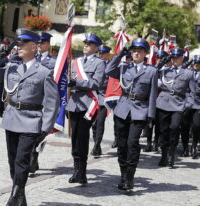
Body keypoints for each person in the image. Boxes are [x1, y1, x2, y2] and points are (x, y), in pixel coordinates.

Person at [0, 28, 59, 206]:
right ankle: (21, 196)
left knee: (22, 160)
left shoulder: (44, 72)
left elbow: (52, 102)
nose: (18, 47)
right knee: (12, 161)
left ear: (34, 47)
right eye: (17, 44)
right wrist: (0, 55)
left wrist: (46, 127)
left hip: (31, 120)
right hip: (11, 118)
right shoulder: (12, 66)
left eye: (23, 44)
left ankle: (14, 195)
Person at [105, 38, 158, 190]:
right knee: (122, 144)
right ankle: (122, 174)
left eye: (139, 51)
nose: (136, 53)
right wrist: (120, 53)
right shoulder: (123, 67)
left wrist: (151, 115)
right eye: (134, 50)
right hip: (122, 109)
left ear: (145, 53)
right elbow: (108, 70)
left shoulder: (152, 71)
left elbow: (153, 94)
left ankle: (130, 177)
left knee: (132, 143)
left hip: (140, 110)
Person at [67, 33, 105, 185]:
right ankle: (76, 169)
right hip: (74, 103)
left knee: (82, 137)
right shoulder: (75, 62)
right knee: (74, 137)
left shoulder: (99, 63)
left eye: (89, 44)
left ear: (96, 47)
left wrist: (76, 82)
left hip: (88, 103)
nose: (86, 46)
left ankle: (82, 172)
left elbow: (96, 83)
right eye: (85, 43)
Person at [156, 48, 194, 168]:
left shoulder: (188, 73)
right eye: (173, 57)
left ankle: (172, 153)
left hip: (178, 104)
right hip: (163, 102)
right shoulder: (164, 70)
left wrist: (188, 105)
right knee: (163, 130)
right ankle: (164, 154)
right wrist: (162, 62)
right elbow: (152, 73)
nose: (175, 59)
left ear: (182, 58)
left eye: (177, 57)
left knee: (174, 128)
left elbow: (191, 91)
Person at [28, 31, 57, 173]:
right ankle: (32, 158)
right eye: (38, 42)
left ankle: (33, 158)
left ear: (48, 45)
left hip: (45, 100)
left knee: (39, 132)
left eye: (43, 42)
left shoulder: (53, 62)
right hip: (31, 99)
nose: (40, 45)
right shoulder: (31, 58)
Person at [91, 45, 111, 157]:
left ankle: (97, 145)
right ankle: (96, 144)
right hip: (93, 97)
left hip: (104, 98)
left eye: (103, 53)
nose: (101, 55)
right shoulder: (96, 64)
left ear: (108, 54)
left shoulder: (110, 66)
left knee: (100, 122)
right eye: (100, 53)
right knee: (94, 123)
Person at [189, 55, 200, 159]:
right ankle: (186, 147)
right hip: (186, 103)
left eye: (199, 63)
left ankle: (194, 146)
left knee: (196, 126)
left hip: (198, 104)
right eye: (195, 63)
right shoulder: (187, 74)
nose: (196, 65)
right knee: (184, 127)